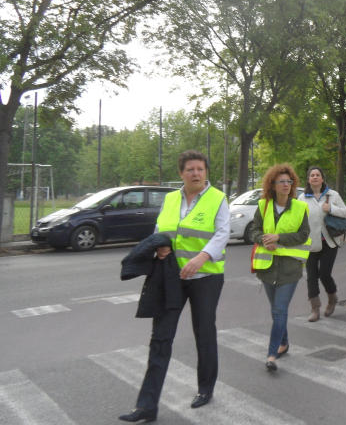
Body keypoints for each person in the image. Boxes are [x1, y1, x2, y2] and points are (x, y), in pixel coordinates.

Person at [119, 150, 229, 423]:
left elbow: (222, 233)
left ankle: (205, 388)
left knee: (204, 333)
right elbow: (161, 227)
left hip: (206, 277)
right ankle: (147, 406)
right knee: (160, 337)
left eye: (200, 169)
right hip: (171, 277)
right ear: (181, 173)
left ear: (206, 172)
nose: (196, 173)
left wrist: (202, 257)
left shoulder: (218, 198)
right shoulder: (170, 199)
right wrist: (161, 246)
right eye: (190, 169)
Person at [252, 163, 311, 373]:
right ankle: (284, 342)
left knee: (279, 309)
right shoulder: (263, 206)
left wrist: (279, 238)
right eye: (281, 181)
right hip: (267, 267)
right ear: (273, 185)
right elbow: (253, 230)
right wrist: (263, 239)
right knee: (277, 311)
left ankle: (272, 354)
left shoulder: (300, 207)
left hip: (290, 268)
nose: (286, 185)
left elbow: (304, 234)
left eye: (289, 181)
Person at [298, 166, 346, 322]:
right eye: (312, 175)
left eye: (317, 175)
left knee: (325, 274)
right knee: (311, 276)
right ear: (308, 179)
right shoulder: (302, 198)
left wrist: (331, 208)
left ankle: (332, 297)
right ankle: (315, 308)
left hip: (329, 241)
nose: (314, 177)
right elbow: (298, 219)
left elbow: (345, 212)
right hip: (310, 243)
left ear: (322, 178)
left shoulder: (333, 195)